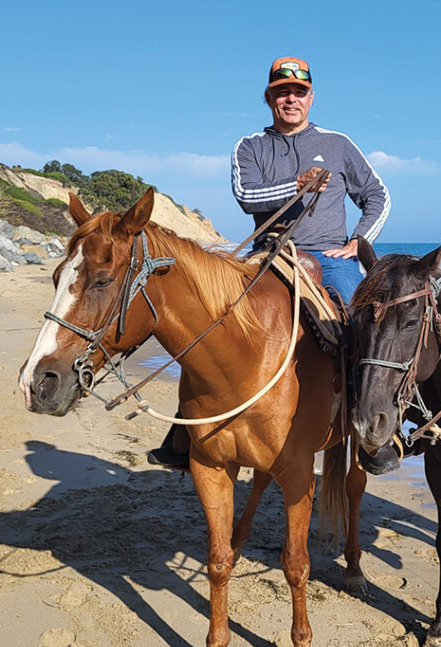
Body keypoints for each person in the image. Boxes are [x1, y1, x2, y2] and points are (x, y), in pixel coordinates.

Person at [148, 55, 391, 469]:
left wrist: (359, 241)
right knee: (209, 321)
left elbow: (378, 196)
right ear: (269, 99)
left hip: (330, 255)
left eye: (298, 92)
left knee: (363, 326)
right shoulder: (249, 146)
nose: (290, 99)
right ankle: (185, 432)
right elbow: (246, 197)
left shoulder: (338, 144)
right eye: (282, 93)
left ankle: (372, 433)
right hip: (268, 255)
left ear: (311, 98)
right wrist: (291, 187)